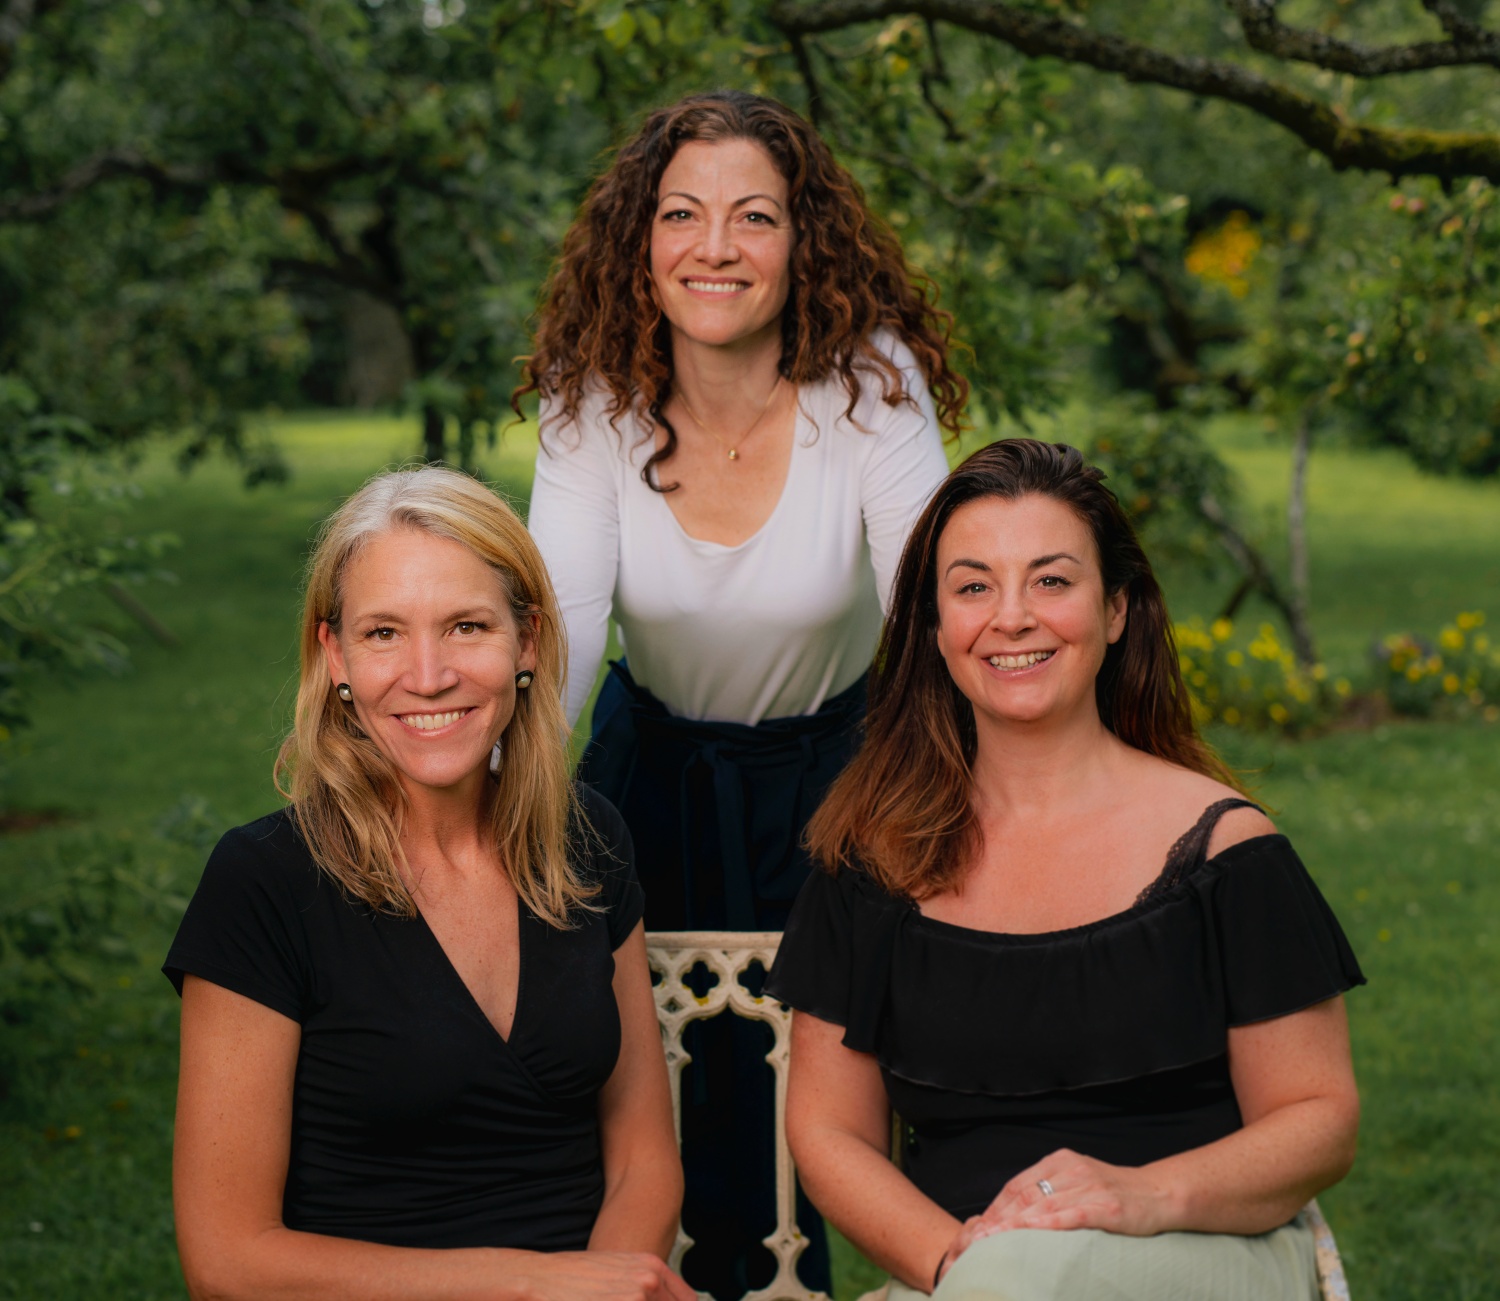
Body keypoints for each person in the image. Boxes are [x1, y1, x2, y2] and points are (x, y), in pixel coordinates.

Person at [518, 90, 968, 1297]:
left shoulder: (869, 387)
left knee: (835, 1069)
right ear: (641, 241)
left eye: (754, 217)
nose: (715, 246)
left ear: (802, 241)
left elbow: (934, 602)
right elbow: (559, 627)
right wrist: (495, 815)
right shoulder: (592, 397)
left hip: (840, 767)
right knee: (661, 1068)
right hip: (649, 768)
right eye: (682, 214)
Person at [768, 439, 1365, 1300]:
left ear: (1116, 608)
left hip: (1201, 1249)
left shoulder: (1227, 851)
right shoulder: (872, 862)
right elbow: (829, 1131)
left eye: (1051, 580)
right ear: (935, 629)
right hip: (970, 1276)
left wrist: (1140, 1194)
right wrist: (958, 1261)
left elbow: (1319, 1121)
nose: (1012, 616)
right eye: (974, 586)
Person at [164, 466, 693, 1301]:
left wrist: (603, 1289)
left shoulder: (588, 839)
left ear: (527, 640)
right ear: (333, 654)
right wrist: (531, 1286)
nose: (428, 672)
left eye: (466, 626)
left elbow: (643, 1158)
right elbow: (228, 1259)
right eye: (383, 633)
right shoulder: (262, 884)